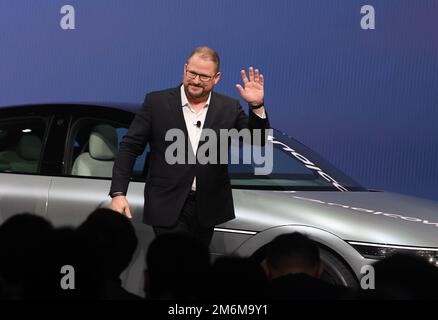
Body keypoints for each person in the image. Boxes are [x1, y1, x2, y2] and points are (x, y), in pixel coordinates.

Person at [109, 46, 270, 247]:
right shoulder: (156, 102)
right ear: (185, 68)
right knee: (175, 264)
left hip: (208, 206)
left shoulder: (228, 107)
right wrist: (118, 193)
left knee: (195, 269)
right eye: (192, 73)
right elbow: (130, 147)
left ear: (216, 78)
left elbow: (257, 140)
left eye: (203, 77)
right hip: (167, 203)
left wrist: (257, 106)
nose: (195, 81)